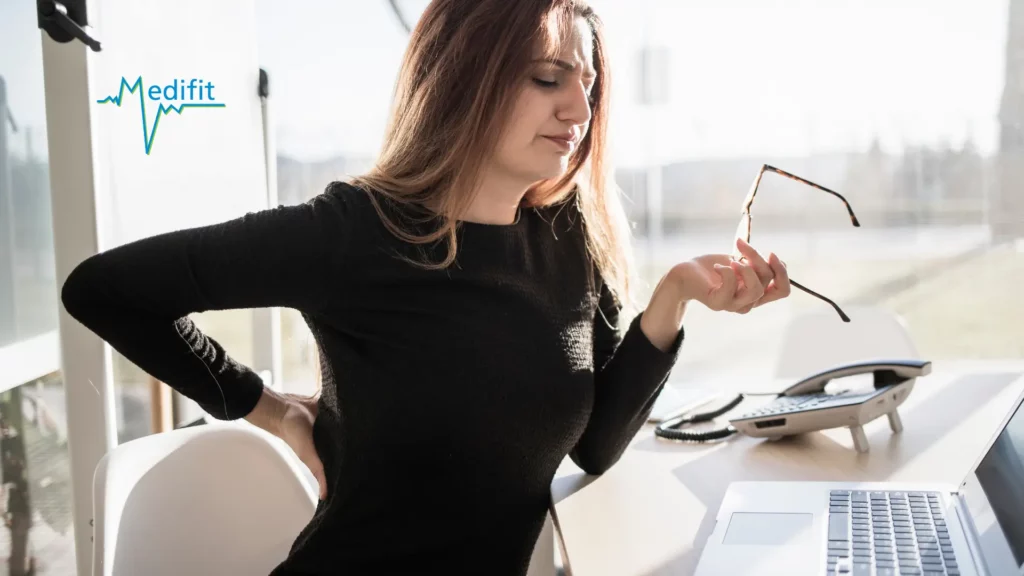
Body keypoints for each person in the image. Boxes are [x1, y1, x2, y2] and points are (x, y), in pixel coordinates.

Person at [60, 0, 792, 574]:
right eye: (547, 77)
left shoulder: (568, 236)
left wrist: (672, 299)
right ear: (462, 73)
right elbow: (104, 289)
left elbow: (593, 448)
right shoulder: (354, 232)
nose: (578, 109)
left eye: (588, 84)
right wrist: (265, 405)